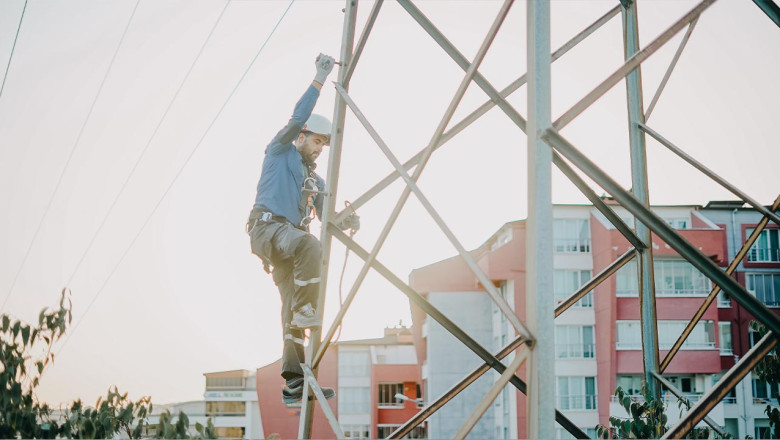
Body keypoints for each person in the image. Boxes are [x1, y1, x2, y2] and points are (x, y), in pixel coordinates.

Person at [247, 53, 360, 405]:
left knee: (292, 312)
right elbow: (297, 118)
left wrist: (347, 219)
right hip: (268, 230)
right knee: (309, 246)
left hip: (288, 248)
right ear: (301, 137)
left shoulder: (315, 182)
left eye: (323, 145)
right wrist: (319, 79)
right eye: (316, 142)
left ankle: (294, 383)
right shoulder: (280, 152)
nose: (319, 149)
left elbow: (328, 220)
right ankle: (305, 311)